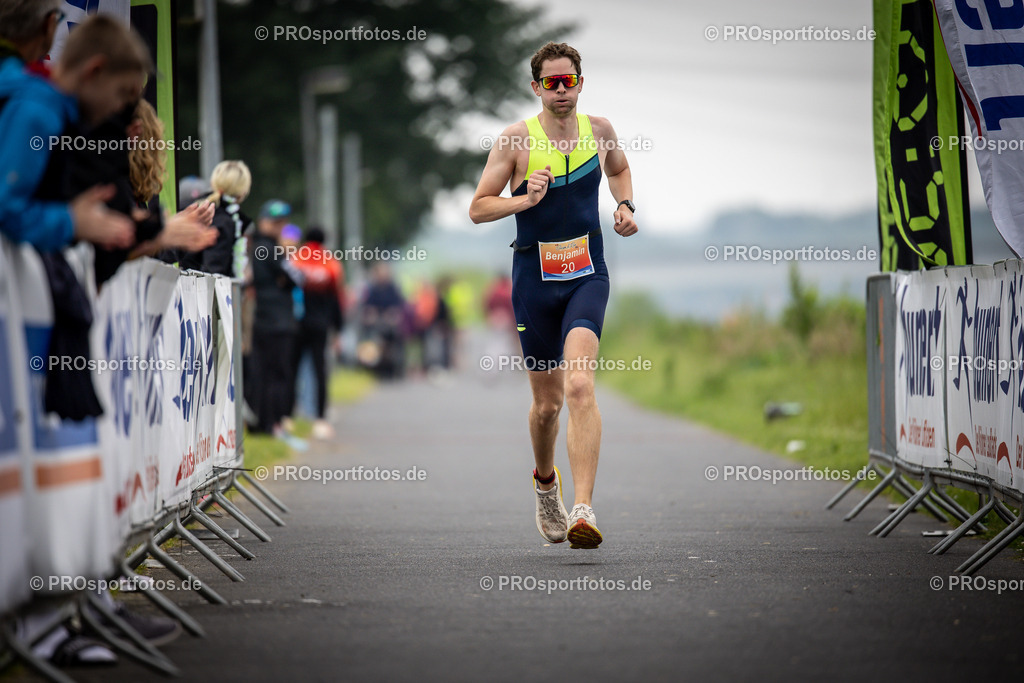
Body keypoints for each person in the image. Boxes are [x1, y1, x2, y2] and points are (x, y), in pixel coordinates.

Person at [469, 42, 639, 549]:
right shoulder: (515, 140)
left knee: (581, 387)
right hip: (534, 282)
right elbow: (478, 209)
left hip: (588, 273)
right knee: (547, 406)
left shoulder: (600, 131)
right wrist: (525, 197)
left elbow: (619, 170)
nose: (561, 91)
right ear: (536, 86)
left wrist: (626, 206)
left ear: (581, 82)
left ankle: (582, 509)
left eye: (569, 81)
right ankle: (547, 486)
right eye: (551, 83)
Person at [0, 1, 134, 252]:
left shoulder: (25, 95)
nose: (119, 107)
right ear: (49, 25)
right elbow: (6, 206)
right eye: (121, 93)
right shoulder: (37, 107)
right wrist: (71, 222)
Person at [248, 200, 303, 436]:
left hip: (267, 319)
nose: (280, 226)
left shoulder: (264, 248)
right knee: (277, 374)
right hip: (275, 321)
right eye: (275, 222)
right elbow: (296, 278)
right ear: (263, 222)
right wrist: (283, 279)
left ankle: (265, 422)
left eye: (283, 222)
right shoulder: (268, 249)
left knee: (266, 373)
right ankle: (272, 422)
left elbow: (290, 278)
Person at [290, 227, 344, 439]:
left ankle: (287, 415)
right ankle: (320, 418)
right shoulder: (331, 263)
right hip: (320, 325)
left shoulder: (296, 259)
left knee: (291, 368)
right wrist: (338, 329)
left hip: (296, 324)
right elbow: (336, 299)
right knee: (319, 369)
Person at [178, 159, 252, 277]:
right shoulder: (225, 221)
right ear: (243, 192)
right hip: (199, 291)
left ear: (214, 182)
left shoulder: (189, 207)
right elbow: (214, 270)